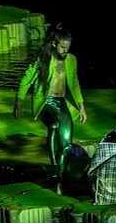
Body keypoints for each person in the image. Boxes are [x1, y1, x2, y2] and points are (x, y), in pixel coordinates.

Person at [13, 23, 87, 194]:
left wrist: (82, 107)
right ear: (54, 44)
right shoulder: (42, 58)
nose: (65, 51)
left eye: (68, 48)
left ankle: (61, 178)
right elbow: (27, 79)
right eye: (62, 47)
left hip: (62, 103)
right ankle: (54, 165)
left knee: (67, 144)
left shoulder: (71, 60)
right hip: (46, 102)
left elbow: (75, 84)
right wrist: (18, 101)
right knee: (53, 125)